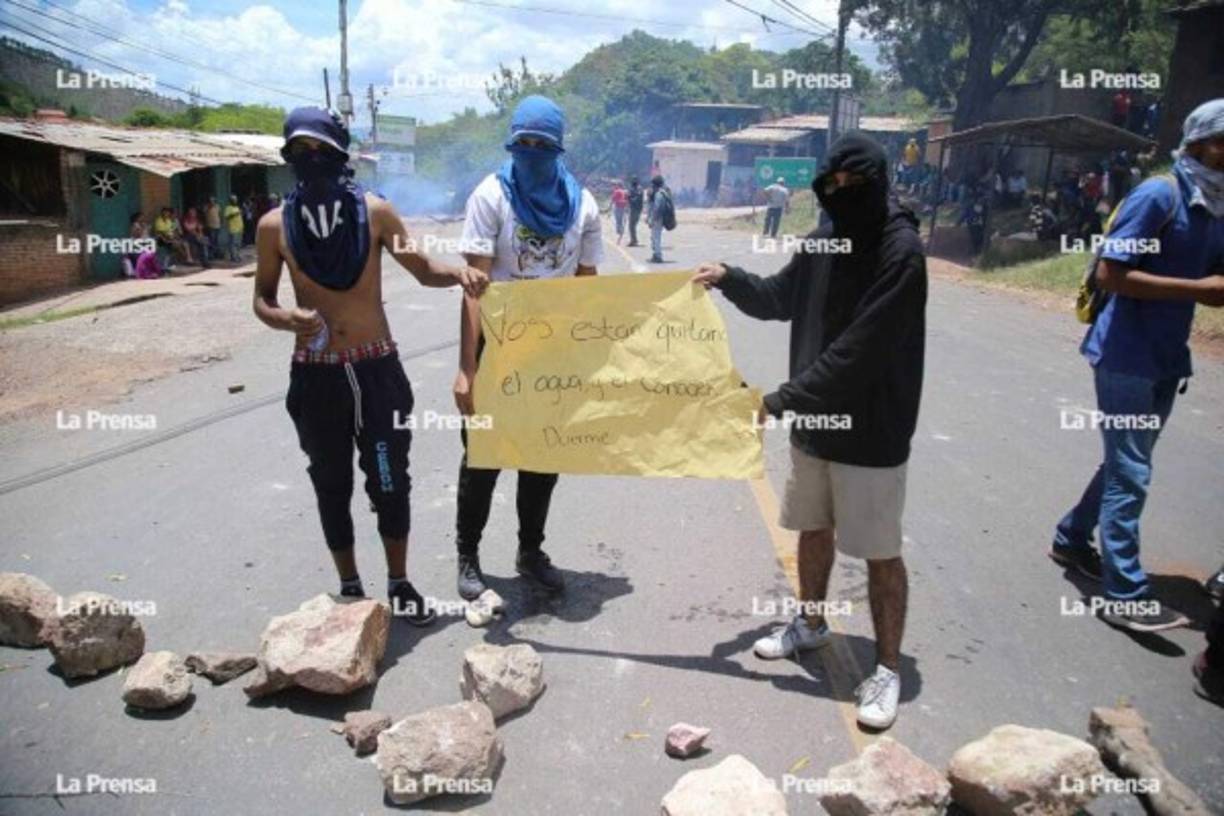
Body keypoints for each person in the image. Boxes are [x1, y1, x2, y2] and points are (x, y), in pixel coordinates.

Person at [692, 132, 927, 730]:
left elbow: (861, 352)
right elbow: (779, 297)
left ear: (878, 184)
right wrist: (729, 277)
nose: (841, 194)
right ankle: (811, 623)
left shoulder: (900, 253)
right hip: (816, 425)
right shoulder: (825, 240)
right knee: (813, 528)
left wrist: (778, 402)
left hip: (872, 430)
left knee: (879, 552)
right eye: (832, 185)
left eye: (854, 185)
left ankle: (888, 667)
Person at [254, 106, 488, 624]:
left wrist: (459, 272)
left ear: (340, 153)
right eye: (300, 150)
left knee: (388, 480)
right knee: (330, 481)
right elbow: (262, 300)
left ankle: (400, 583)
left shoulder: (376, 213)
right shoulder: (274, 226)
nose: (311, 158)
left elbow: (421, 267)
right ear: (288, 156)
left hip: (376, 373)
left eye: (320, 148)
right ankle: (350, 588)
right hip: (317, 377)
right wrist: (286, 317)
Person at [1049, 99, 1224, 632]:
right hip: (1125, 354)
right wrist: (1197, 290)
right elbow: (1112, 273)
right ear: (1202, 144)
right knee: (1132, 469)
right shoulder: (1160, 195)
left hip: (1168, 356)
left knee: (1127, 461)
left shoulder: (1214, 206)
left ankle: (1071, 538)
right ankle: (1124, 594)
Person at [451, 95, 602, 601]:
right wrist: (466, 369)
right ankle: (468, 555)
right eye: (525, 143)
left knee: (542, 455)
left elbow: (586, 288)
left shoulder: (584, 207)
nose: (532, 152)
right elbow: (473, 289)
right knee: (483, 456)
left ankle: (530, 551)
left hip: (552, 355)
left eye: (542, 144)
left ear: (558, 148)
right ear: (512, 144)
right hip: (496, 349)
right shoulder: (490, 196)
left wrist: (586, 359)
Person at [647, 174, 671, 263]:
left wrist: (652, 219)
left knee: (656, 237)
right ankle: (656, 254)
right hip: (659, 218)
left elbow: (657, 208)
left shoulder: (659, 194)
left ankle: (658, 256)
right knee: (654, 237)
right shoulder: (662, 192)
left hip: (657, 219)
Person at [223, 194, 243, 262]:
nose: (235, 200)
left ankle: (237, 255)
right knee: (233, 244)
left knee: (238, 244)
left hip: (239, 228)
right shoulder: (228, 208)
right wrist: (236, 214)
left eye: (236, 199)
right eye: (234, 199)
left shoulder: (237, 207)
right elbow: (227, 217)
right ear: (231, 200)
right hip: (233, 228)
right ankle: (233, 257)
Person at [626, 176, 644, 247]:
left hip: (635, 209)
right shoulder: (634, 188)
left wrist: (629, 197)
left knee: (631, 225)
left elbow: (636, 199)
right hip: (635, 209)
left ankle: (633, 241)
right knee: (632, 226)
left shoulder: (638, 189)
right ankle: (634, 240)